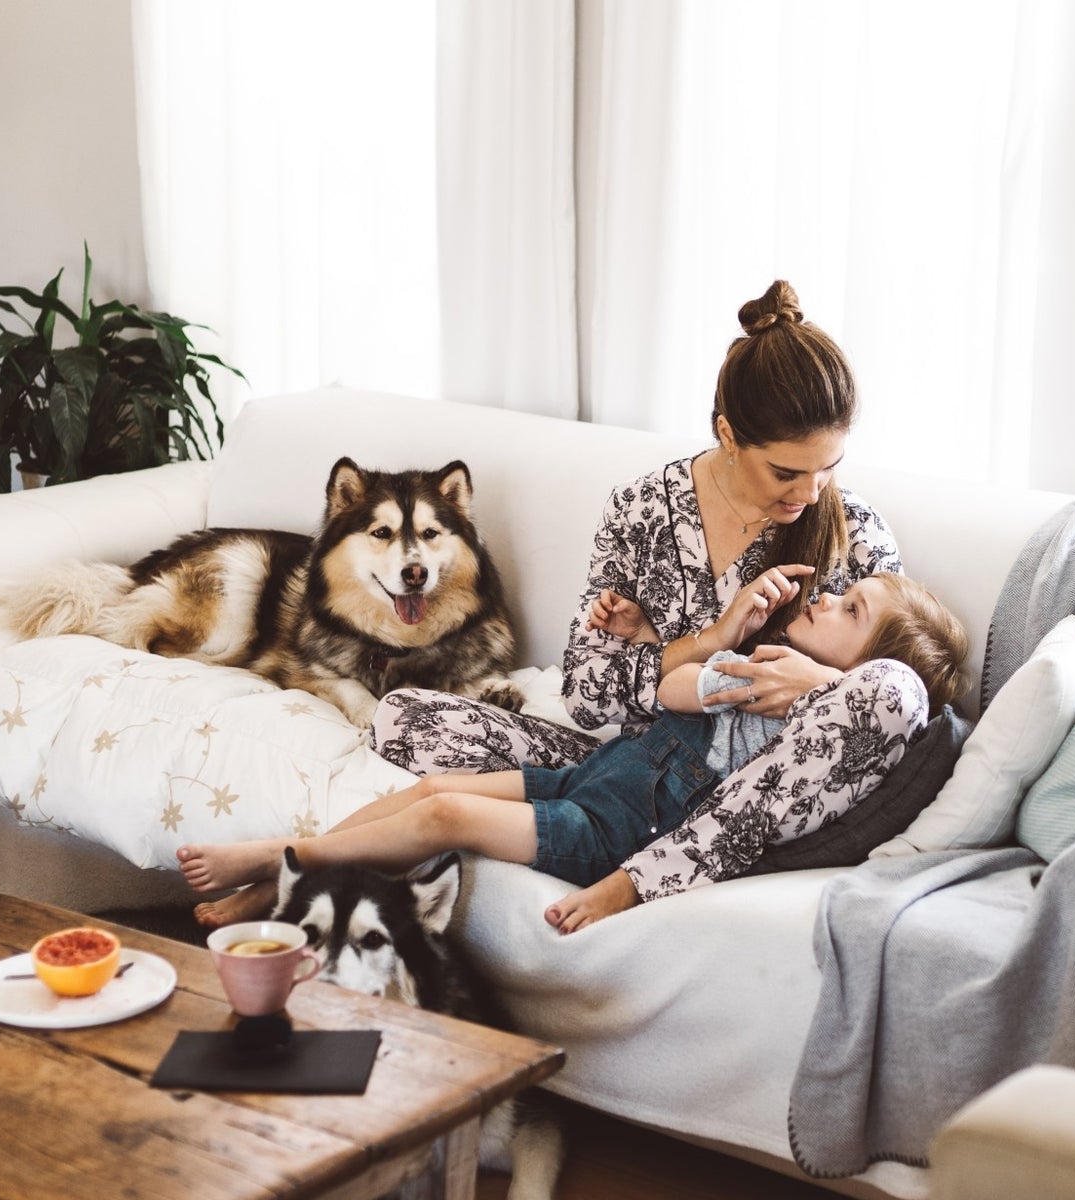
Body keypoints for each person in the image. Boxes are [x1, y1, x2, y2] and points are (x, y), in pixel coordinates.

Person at [362, 279, 923, 908]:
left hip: (741, 788)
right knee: (405, 719)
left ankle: (656, 852)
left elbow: (892, 704)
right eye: (787, 472)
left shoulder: (859, 536)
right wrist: (703, 644)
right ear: (728, 433)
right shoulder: (642, 510)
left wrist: (816, 687)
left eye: (830, 468)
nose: (811, 493)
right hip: (627, 761)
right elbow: (586, 694)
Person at [179, 572, 968, 930]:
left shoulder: (869, 701)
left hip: (628, 821)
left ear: (862, 665)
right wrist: (704, 644)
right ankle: (287, 875)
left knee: (448, 810)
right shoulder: (762, 660)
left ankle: (273, 860)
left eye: (851, 606)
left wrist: (622, 888)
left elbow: (880, 709)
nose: (828, 596)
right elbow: (669, 693)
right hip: (607, 763)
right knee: (431, 787)